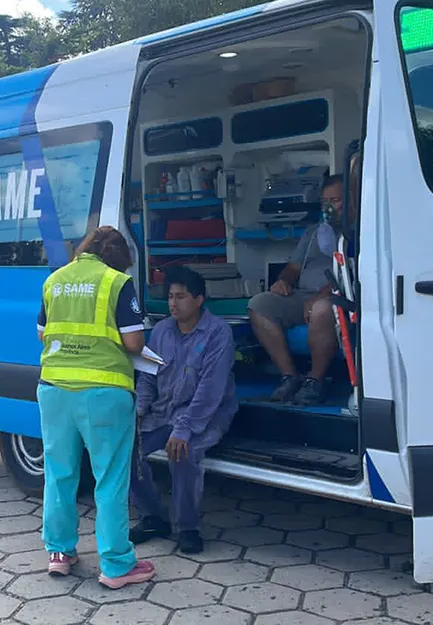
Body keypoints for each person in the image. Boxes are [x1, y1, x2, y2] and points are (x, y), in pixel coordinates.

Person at [36, 226, 156, 590]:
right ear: (120, 258)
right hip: (104, 392)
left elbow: (42, 332)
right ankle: (117, 564)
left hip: (54, 388)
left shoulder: (55, 280)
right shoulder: (116, 282)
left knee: (59, 473)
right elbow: (134, 341)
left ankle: (59, 553)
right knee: (110, 479)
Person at [128, 266, 236, 554]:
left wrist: (184, 429)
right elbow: (148, 377)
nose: (173, 304)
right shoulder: (162, 330)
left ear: (199, 299)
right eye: (171, 297)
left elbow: (210, 392)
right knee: (125, 449)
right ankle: (153, 517)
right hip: (162, 413)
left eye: (181, 297)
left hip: (206, 416)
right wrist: (139, 410)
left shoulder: (217, 334)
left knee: (183, 453)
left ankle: (188, 528)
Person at [248, 174, 351, 404]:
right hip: (302, 295)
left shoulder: (358, 232)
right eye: (325, 202)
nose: (329, 207)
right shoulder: (314, 232)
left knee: (322, 309)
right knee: (260, 304)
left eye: (335, 200)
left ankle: (315, 381)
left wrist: (318, 297)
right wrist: (283, 281)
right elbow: (293, 268)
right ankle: (290, 376)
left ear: (351, 199)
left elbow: (351, 276)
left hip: (336, 296)